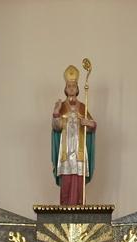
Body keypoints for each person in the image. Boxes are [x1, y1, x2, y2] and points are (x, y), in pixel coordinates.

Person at [51, 63, 96, 206]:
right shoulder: (61, 106)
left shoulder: (82, 106)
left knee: (78, 180)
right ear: (65, 89)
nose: (71, 88)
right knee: (67, 181)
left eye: (74, 86)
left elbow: (93, 125)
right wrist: (56, 113)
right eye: (69, 86)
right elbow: (56, 127)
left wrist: (87, 123)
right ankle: (65, 209)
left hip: (79, 149)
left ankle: (79, 208)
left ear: (77, 89)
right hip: (66, 149)